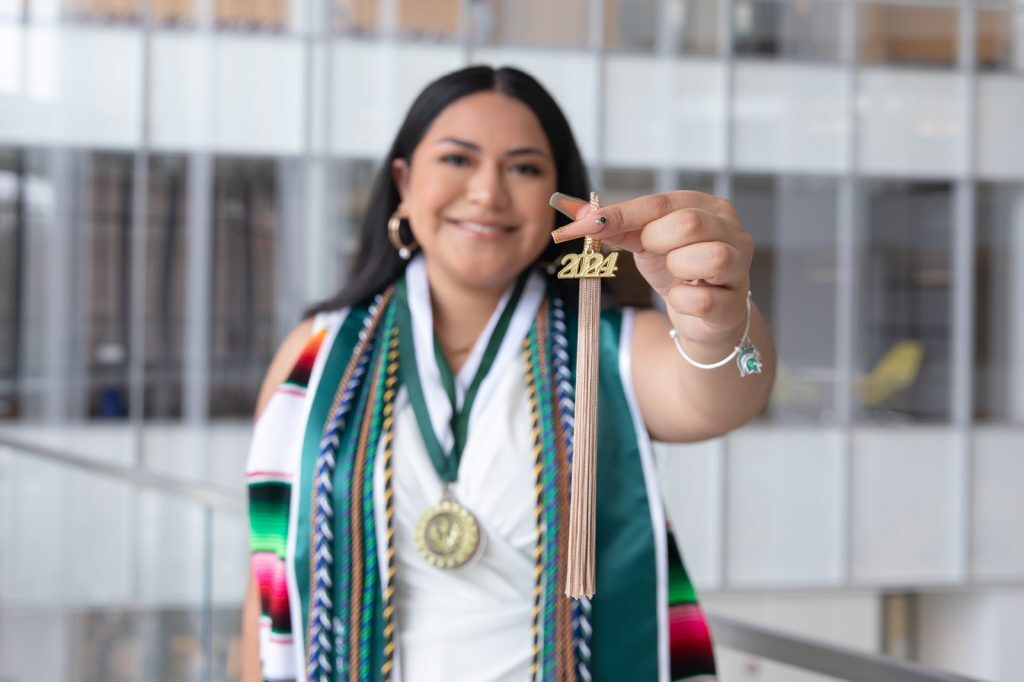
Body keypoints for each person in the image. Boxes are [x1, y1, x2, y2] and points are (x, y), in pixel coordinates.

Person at [242, 65, 775, 682]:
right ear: (404, 183)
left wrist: (720, 322)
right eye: (457, 160)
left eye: (523, 168)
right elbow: (267, 585)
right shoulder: (314, 353)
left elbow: (724, 395)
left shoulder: (606, 347)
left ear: (559, 191)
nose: (488, 193)